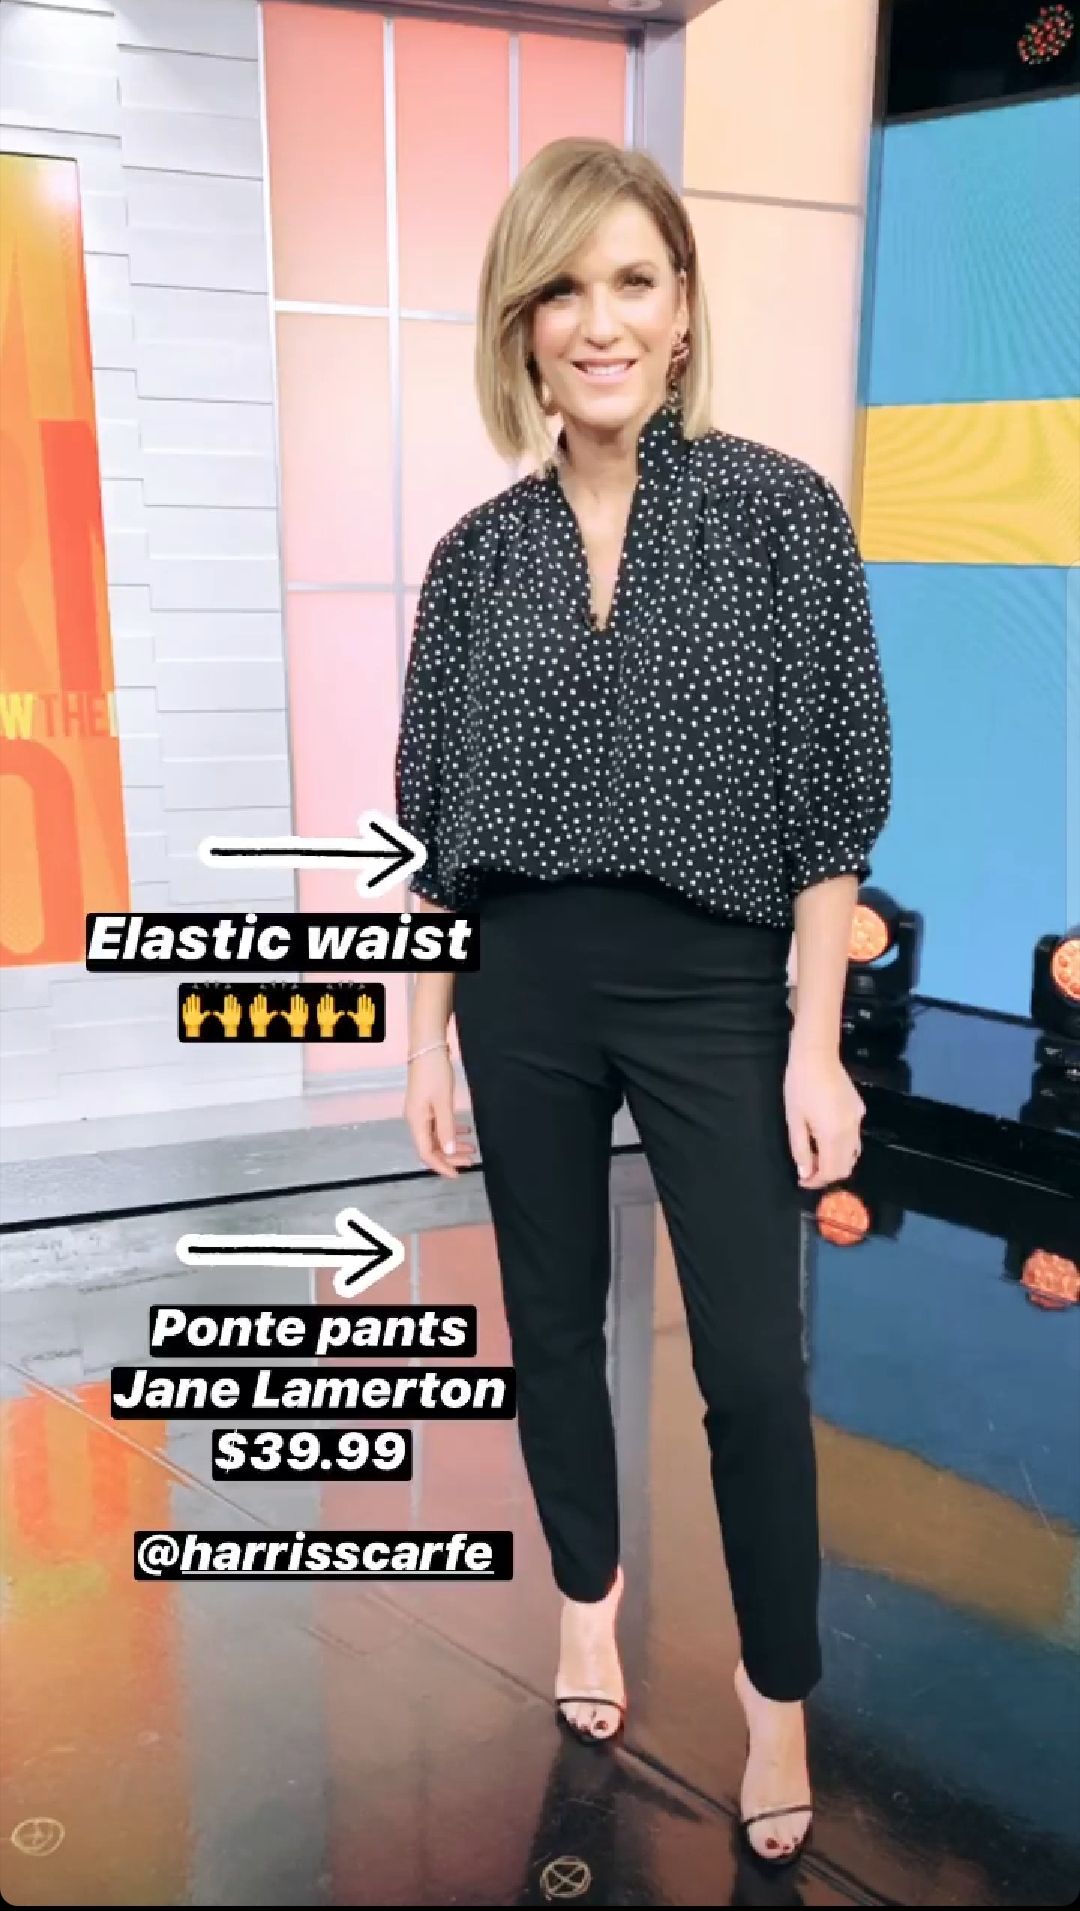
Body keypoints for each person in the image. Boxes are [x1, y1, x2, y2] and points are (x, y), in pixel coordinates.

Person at [394, 136, 892, 1871]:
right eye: (564, 288)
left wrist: (817, 1043)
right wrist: (423, 1033)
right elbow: (432, 826)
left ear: (682, 312)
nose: (599, 322)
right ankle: (588, 1601)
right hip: (521, 983)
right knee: (552, 1326)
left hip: (711, 986)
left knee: (751, 1363)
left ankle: (778, 1691)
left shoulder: (780, 517)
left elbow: (832, 806)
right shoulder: (475, 558)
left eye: (633, 282)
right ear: (520, 325)